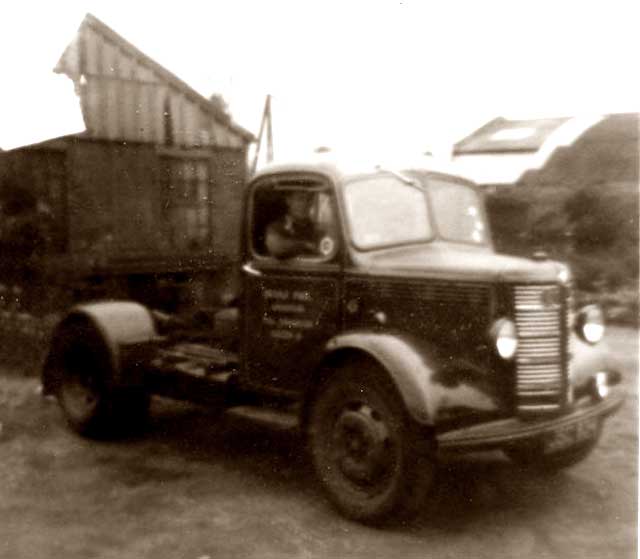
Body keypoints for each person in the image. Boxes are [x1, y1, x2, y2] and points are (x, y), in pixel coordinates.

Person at [265, 190, 321, 259]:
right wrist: (304, 245)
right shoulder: (278, 226)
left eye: (309, 199)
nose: (305, 204)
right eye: (300, 199)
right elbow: (275, 246)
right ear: (289, 201)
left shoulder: (315, 228)